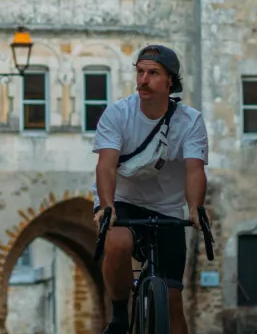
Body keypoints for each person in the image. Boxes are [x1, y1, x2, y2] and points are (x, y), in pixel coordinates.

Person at [91, 44, 209, 334]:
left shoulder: (190, 121)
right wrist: (107, 207)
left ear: (170, 81)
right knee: (117, 245)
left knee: (172, 301)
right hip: (122, 200)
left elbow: (195, 170)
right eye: (140, 72)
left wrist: (195, 208)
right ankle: (120, 314)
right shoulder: (118, 113)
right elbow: (106, 165)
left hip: (167, 208)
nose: (143, 80)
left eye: (153, 73)